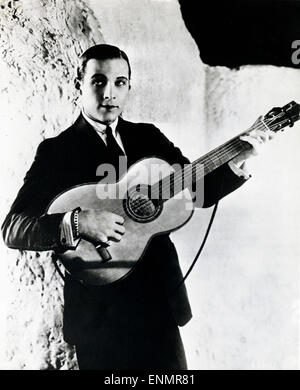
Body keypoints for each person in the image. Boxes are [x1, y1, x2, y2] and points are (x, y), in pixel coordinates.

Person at [1, 44, 271, 370]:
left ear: (129, 86)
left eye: (120, 82)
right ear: (79, 84)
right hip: (99, 316)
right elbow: (14, 228)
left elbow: (196, 192)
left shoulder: (149, 138)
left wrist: (240, 155)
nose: (109, 93)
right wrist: (77, 222)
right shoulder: (57, 152)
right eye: (98, 81)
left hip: (158, 303)